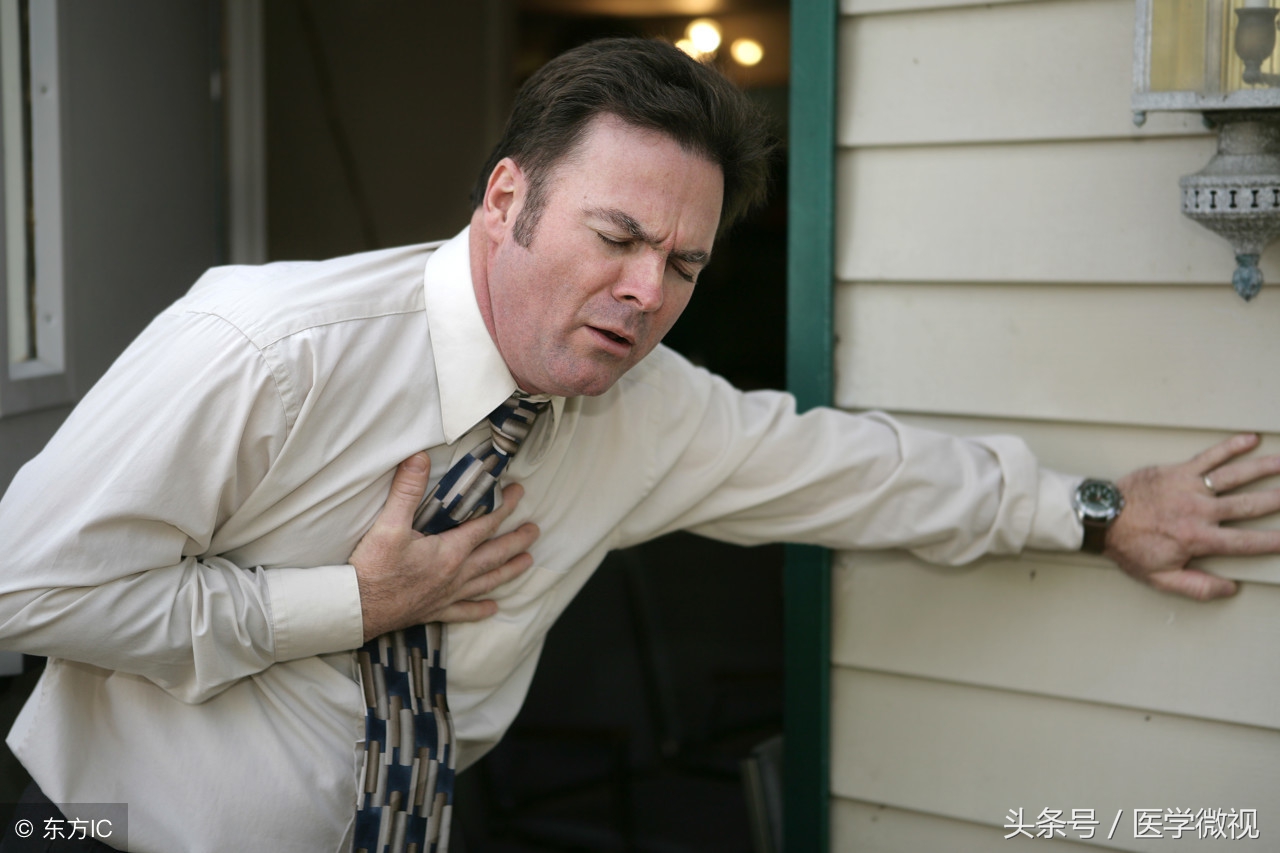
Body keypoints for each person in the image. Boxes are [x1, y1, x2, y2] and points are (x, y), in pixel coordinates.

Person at [1, 37, 1279, 853]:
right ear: (506, 199)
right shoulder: (266, 345)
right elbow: (29, 585)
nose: (643, 292)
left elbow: (855, 472)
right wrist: (351, 602)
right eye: (614, 238)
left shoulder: (645, 408)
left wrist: (1103, 510)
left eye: (682, 264)